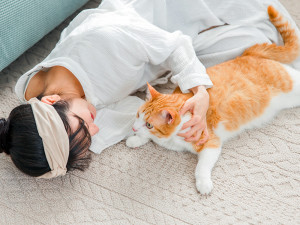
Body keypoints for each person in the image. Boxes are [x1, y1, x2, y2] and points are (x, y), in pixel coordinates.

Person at [0, 0, 299, 178]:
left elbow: (175, 46)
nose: (96, 129)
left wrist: (201, 93)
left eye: (84, 125)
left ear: (52, 100)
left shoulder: (103, 45)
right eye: (88, 135)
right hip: (145, 66)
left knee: (260, 50)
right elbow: (123, 118)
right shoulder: (32, 106)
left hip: (160, 18)